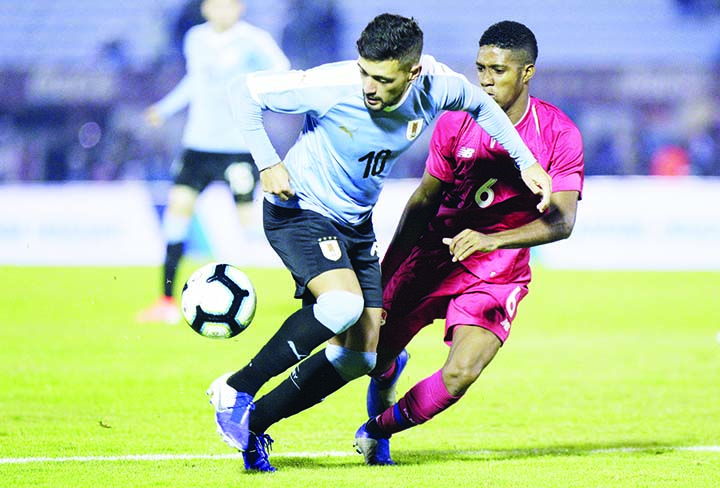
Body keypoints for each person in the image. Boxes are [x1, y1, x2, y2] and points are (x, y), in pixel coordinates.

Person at [206, 13, 553, 472]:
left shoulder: (438, 86)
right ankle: (236, 387)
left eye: (382, 78)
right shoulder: (331, 84)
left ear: (412, 74)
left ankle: (255, 427)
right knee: (340, 307)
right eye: (364, 72)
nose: (368, 86)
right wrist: (268, 163)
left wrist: (526, 162)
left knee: (358, 357)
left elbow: (483, 108)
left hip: (355, 226)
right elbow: (243, 93)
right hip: (300, 208)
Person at [352, 20, 585, 466]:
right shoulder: (457, 121)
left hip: (496, 273)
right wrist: (380, 279)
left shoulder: (558, 133)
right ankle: (388, 369)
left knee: (460, 374)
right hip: (432, 257)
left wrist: (490, 239)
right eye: (480, 68)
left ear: (527, 73)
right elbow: (422, 201)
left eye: (497, 70)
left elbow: (563, 221)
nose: (485, 80)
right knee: (369, 357)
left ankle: (377, 431)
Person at [136, 0, 290, 324]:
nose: (222, 11)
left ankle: (311, 283)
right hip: (198, 145)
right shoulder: (195, 38)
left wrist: (255, 96)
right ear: (206, 9)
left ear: (239, 9)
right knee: (178, 212)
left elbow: (283, 73)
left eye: (229, 5)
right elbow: (194, 82)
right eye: (216, 5)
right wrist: (163, 109)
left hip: (237, 146)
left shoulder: (254, 40)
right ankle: (165, 301)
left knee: (251, 223)